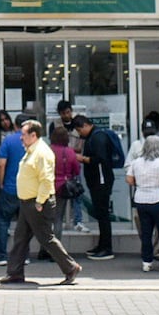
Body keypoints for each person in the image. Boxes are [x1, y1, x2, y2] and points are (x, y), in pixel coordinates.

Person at [0, 120, 82, 285]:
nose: (21, 138)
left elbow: (46, 180)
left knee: (46, 238)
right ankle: (14, 272)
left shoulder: (42, 152)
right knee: (20, 237)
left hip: (36, 202)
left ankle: (71, 267)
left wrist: (39, 201)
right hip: (28, 202)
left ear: (33, 135)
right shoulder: (32, 150)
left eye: (23, 134)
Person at [125, 118, 159, 257]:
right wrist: (137, 176)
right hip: (141, 190)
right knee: (143, 226)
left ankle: (155, 251)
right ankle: (148, 250)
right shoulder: (136, 145)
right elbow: (127, 166)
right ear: (142, 132)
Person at [72, 114, 116, 260]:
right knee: (100, 213)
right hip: (97, 180)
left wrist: (83, 159)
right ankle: (102, 244)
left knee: (103, 214)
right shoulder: (92, 136)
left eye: (79, 130)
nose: (79, 134)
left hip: (101, 180)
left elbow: (101, 159)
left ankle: (107, 248)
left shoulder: (97, 137)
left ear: (84, 126)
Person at [0, 114, 28, 266]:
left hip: (10, 187)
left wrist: (1, 182)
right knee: (25, 224)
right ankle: (24, 255)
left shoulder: (9, 140)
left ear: (15, 125)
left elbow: (1, 164)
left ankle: (0, 255)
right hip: (28, 190)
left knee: (3, 221)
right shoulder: (34, 142)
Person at [49, 100, 87, 233]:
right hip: (60, 165)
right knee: (58, 199)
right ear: (60, 114)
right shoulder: (55, 124)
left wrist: (68, 150)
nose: (67, 115)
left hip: (74, 162)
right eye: (64, 113)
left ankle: (78, 221)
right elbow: (53, 143)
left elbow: (80, 144)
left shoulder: (77, 122)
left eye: (68, 112)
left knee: (77, 193)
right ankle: (58, 222)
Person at [48, 126, 80, 246]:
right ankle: (56, 251)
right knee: (58, 219)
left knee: (46, 220)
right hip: (62, 188)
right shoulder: (69, 152)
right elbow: (77, 170)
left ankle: (44, 249)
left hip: (47, 187)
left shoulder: (47, 150)